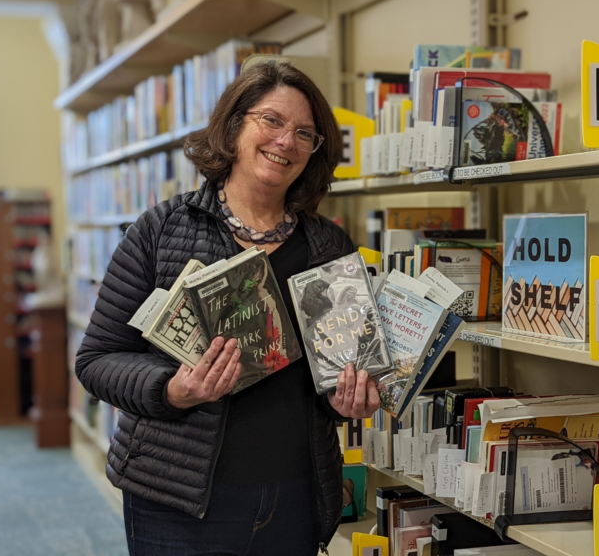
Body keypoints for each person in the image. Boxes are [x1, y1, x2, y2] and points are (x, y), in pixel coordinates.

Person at [75, 58, 380, 556]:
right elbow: (96, 360)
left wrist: (346, 400)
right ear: (235, 126)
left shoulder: (330, 247)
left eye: (306, 133)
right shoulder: (161, 230)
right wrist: (171, 389)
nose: (286, 142)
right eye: (272, 121)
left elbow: (333, 375)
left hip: (295, 497)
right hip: (177, 502)